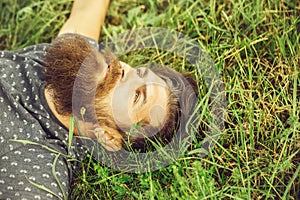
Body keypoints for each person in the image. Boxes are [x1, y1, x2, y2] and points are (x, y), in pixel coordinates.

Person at [0, 0, 198, 199]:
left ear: (110, 136)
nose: (123, 69)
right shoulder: (79, 62)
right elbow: (89, 7)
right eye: (138, 71)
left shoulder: (34, 166)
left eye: (137, 96)